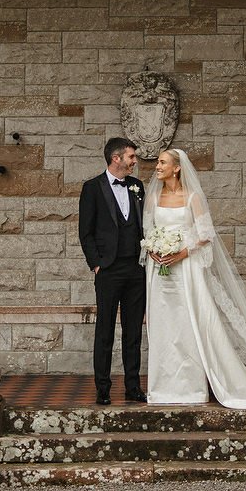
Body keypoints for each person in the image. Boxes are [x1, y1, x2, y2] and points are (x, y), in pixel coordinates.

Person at [143, 148, 246, 408]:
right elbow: (148, 231)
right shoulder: (153, 197)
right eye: (158, 162)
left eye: (162, 162)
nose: (157, 167)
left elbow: (206, 234)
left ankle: (191, 389)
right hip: (161, 273)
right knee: (164, 325)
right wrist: (154, 250)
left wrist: (181, 253)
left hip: (186, 270)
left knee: (190, 324)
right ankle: (163, 388)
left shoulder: (192, 197)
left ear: (177, 168)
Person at [78, 136, 147, 406]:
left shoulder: (137, 186)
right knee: (104, 330)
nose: (134, 161)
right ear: (116, 158)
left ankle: (133, 386)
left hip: (135, 269)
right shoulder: (92, 188)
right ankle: (103, 387)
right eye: (131, 157)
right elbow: (86, 232)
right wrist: (96, 263)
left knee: (133, 332)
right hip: (107, 270)